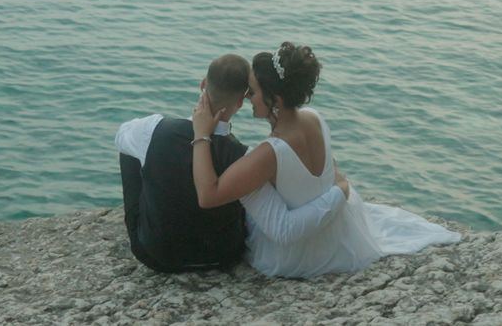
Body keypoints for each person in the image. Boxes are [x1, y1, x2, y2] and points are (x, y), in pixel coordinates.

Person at [190, 42, 460, 277]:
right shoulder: (315, 118)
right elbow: (329, 172)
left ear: (276, 99)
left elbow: (208, 195)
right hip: (333, 238)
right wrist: (341, 189)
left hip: (291, 257)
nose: (247, 97)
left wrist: (201, 134)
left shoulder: (269, 153)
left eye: (253, 91)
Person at [115, 53, 349, 272]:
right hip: (222, 255)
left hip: (154, 255)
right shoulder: (245, 156)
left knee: (132, 147)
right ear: (239, 103)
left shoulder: (153, 128)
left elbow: (121, 137)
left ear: (203, 84)